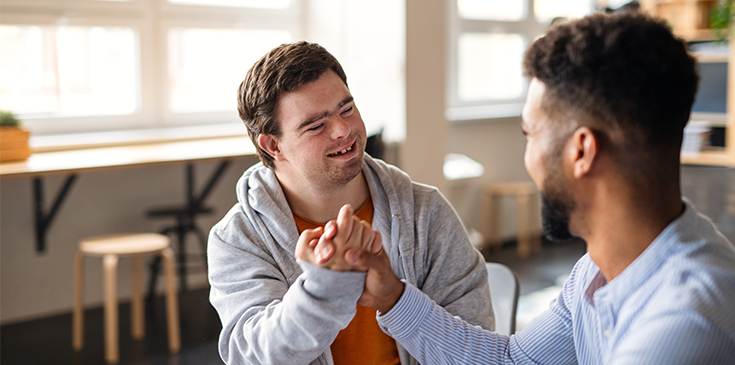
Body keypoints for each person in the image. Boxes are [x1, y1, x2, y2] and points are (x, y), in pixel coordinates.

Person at [303, 11, 735, 364]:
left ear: (581, 151)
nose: (527, 153)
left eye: (530, 134)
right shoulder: (598, 271)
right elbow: (514, 361)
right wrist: (393, 296)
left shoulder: (686, 322)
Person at [207, 41, 493, 365]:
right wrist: (324, 287)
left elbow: (477, 345)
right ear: (274, 145)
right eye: (316, 125)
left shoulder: (425, 212)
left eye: (347, 109)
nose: (344, 130)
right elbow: (251, 357)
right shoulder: (238, 238)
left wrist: (396, 298)